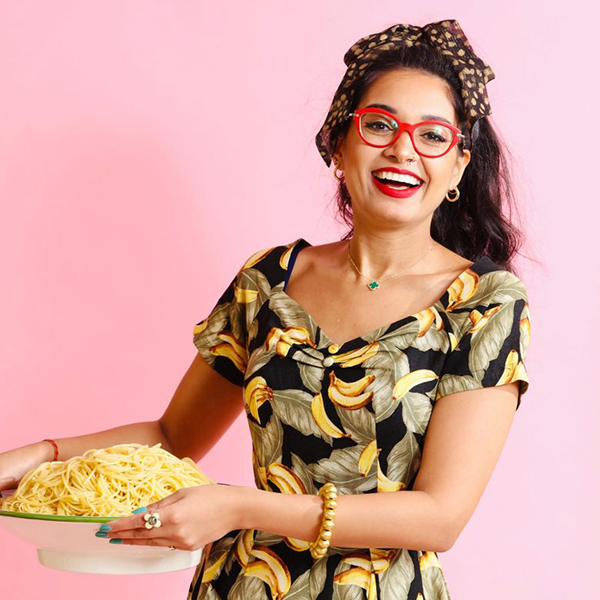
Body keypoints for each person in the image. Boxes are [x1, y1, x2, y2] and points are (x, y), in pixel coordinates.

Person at [0, 19, 532, 600]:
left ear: (458, 165)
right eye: (379, 125)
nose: (402, 148)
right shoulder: (267, 281)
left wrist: (236, 507)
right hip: (241, 586)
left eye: (433, 135)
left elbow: (439, 517)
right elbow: (173, 434)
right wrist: (40, 456)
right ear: (338, 143)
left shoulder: (484, 303)